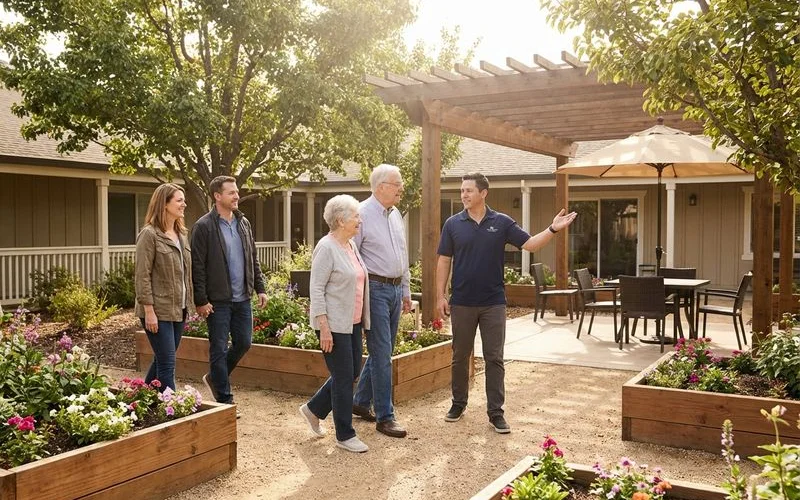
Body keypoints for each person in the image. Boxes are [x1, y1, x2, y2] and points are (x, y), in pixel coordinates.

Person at [436, 172, 577, 433]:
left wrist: (553, 228)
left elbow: (531, 245)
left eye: (469, 190)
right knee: (459, 356)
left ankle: (495, 412)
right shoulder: (453, 224)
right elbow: (444, 260)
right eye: (462, 190)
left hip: (493, 303)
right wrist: (440, 295)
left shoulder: (501, 222)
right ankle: (458, 403)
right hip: (462, 302)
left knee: (494, 358)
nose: (464, 195)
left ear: (483, 193)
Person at [299, 194, 371, 453]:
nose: (359, 220)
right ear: (341, 220)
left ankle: (314, 409)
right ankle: (345, 434)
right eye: (356, 216)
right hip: (332, 324)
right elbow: (316, 289)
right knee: (343, 378)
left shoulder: (350, 245)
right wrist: (324, 328)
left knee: (350, 373)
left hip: (351, 323)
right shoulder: (327, 247)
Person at [191, 175, 268, 415]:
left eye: (236, 192)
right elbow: (197, 266)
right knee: (219, 348)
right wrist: (201, 300)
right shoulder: (203, 226)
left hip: (242, 297)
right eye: (231, 193)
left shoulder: (243, 223)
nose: (236, 196)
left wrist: (260, 287)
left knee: (244, 342)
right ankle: (225, 400)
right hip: (218, 301)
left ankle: (215, 377)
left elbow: (252, 257)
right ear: (217, 196)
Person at [351, 164, 410, 438]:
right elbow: (353, 258)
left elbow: (402, 253)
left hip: (396, 290)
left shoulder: (396, 214)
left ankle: (361, 402)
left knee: (381, 352)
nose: (401, 188)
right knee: (383, 353)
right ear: (380, 187)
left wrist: (406, 290)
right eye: (396, 184)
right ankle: (385, 417)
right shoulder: (360, 215)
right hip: (374, 290)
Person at [134, 183, 193, 391]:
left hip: (178, 309)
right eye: (179, 200)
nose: (184, 204)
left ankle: (141, 397)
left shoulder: (181, 234)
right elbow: (142, 275)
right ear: (164, 204)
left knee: (162, 359)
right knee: (167, 363)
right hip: (157, 310)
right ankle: (172, 410)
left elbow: (185, 274)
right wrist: (149, 311)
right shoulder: (149, 234)